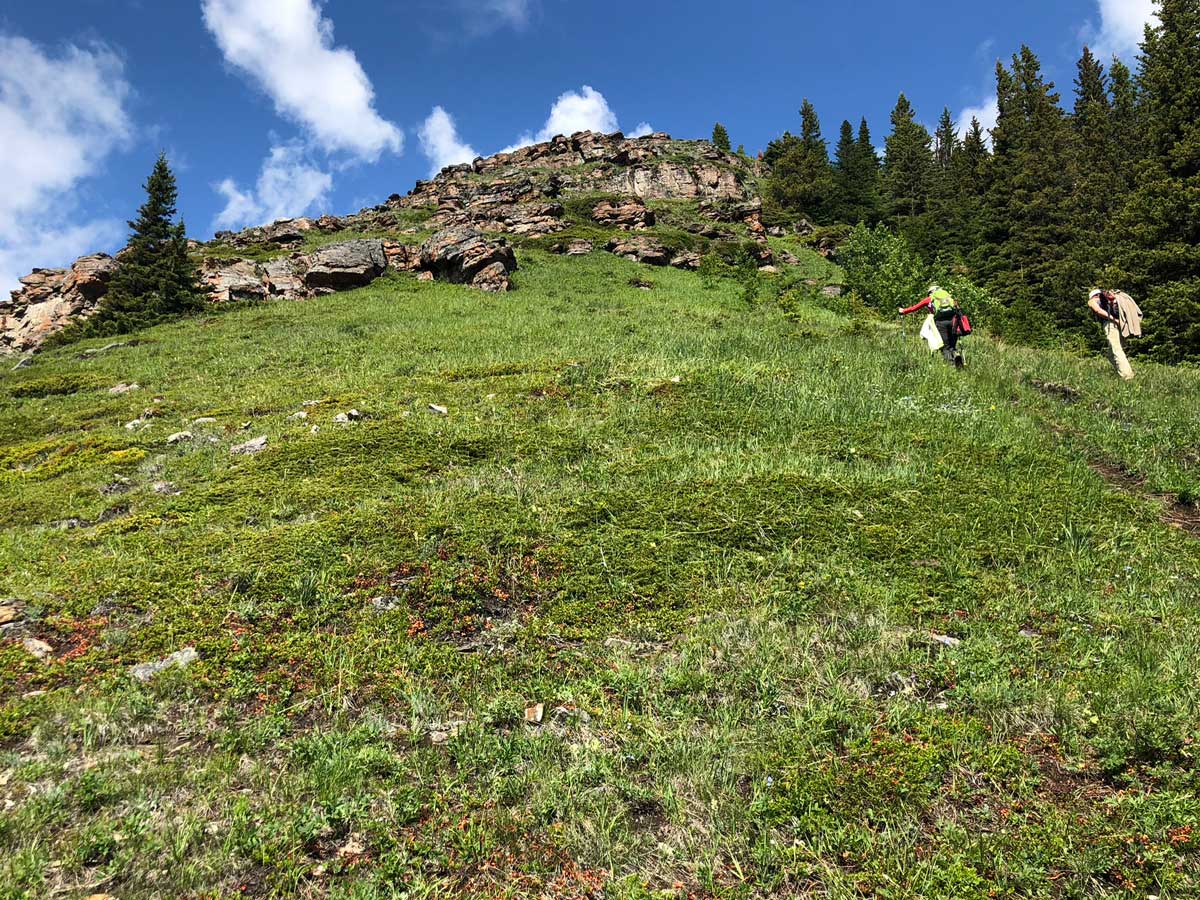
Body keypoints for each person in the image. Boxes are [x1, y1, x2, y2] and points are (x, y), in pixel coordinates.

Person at [899, 285, 964, 367]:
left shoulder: (930, 299)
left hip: (940, 323)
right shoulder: (948, 296)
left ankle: (951, 366)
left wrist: (903, 311)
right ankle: (956, 354)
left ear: (931, 292)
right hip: (953, 321)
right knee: (952, 344)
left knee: (944, 346)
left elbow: (914, 308)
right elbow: (957, 308)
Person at [1088, 288, 1141, 381]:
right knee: (1111, 354)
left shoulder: (1093, 300)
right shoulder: (1113, 299)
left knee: (1116, 349)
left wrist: (1113, 320)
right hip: (1122, 323)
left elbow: (1098, 311)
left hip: (1110, 324)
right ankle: (1123, 371)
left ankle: (1128, 376)